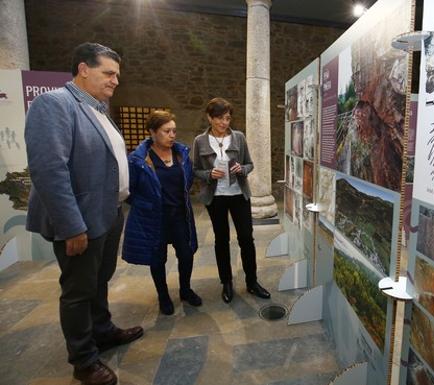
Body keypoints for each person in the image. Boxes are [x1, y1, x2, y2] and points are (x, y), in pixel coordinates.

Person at [24, 42, 143, 385]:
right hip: (80, 220)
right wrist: (71, 226)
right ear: (82, 69)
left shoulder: (99, 110)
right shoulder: (54, 105)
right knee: (77, 291)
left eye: (117, 75)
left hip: (107, 213)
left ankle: (102, 331)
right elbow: (49, 171)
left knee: (98, 281)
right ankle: (84, 360)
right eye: (108, 73)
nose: (115, 81)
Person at [122, 110, 201, 315]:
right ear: (153, 132)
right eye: (167, 131)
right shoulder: (138, 160)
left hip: (180, 215)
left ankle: (185, 289)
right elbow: (129, 191)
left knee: (186, 254)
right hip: (155, 218)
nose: (172, 135)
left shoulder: (181, 153)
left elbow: (188, 180)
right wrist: (148, 204)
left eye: (174, 131)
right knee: (158, 259)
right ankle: (163, 296)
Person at [192, 97, 271, 303]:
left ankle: (252, 282)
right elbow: (195, 171)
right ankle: (226, 282)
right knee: (221, 240)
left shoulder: (239, 137)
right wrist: (210, 174)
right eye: (218, 118)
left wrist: (241, 169)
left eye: (227, 118)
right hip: (216, 198)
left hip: (238, 195)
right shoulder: (200, 141)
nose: (223, 123)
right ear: (209, 118)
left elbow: (250, 164)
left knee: (246, 238)